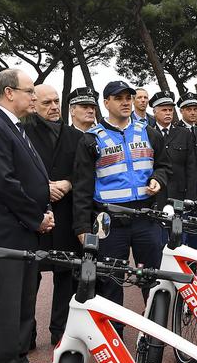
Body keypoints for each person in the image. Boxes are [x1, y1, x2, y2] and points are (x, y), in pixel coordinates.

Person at [0, 69, 53, 363]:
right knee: (7, 304)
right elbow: (5, 183)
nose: (33, 97)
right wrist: (37, 217)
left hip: (21, 232)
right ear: (9, 93)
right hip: (5, 235)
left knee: (24, 300)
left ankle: (19, 358)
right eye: (29, 91)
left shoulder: (13, 126)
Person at [72, 80, 171, 308]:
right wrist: (82, 228)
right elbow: (82, 188)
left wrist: (158, 179)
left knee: (152, 278)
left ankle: (155, 335)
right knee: (110, 282)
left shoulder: (149, 133)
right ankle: (114, 335)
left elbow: (165, 166)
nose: (126, 102)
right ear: (106, 103)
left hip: (146, 218)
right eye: (119, 98)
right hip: (109, 222)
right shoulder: (91, 139)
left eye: (128, 98)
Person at [25, 84, 83, 347]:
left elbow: (83, 173)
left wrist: (68, 183)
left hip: (66, 214)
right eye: (46, 102)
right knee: (29, 278)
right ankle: (25, 336)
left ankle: (61, 331)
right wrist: (44, 189)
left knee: (67, 275)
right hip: (33, 215)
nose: (53, 107)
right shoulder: (22, 133)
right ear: (33, 104)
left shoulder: (74, 136)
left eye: (56, 101)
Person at [149, 89, 197, 210]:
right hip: (156, 193)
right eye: (164, 110)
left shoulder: (184, 134)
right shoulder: (147, 134)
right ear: (155, 112)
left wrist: (190, 196)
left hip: (179, 193)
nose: (168, 113)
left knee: (178, 227)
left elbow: (191, 167)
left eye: (170, 110)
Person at [176, 91, 197, 247]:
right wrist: (192, 181)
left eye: (195, 109)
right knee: (182, 233)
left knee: (196, 231)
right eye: (188, 109)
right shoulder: (175, 131)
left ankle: (196, 266)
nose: (193, 112)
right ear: (181, 111)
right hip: (183, 189)